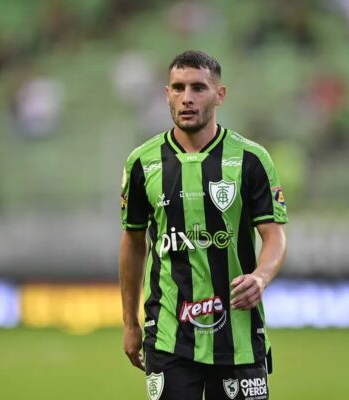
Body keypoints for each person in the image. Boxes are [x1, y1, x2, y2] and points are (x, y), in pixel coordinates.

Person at [119, 50, 288, 400]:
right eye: (178, 88)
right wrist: (130, 322)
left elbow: (274, 235)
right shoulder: (142, 163)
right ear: (167, 94)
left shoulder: (251, 159)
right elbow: (133, 243)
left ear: (220, 95)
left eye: (198, 88)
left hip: (238, 334)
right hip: (168, 335)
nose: (187, 98)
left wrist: (261, 276)